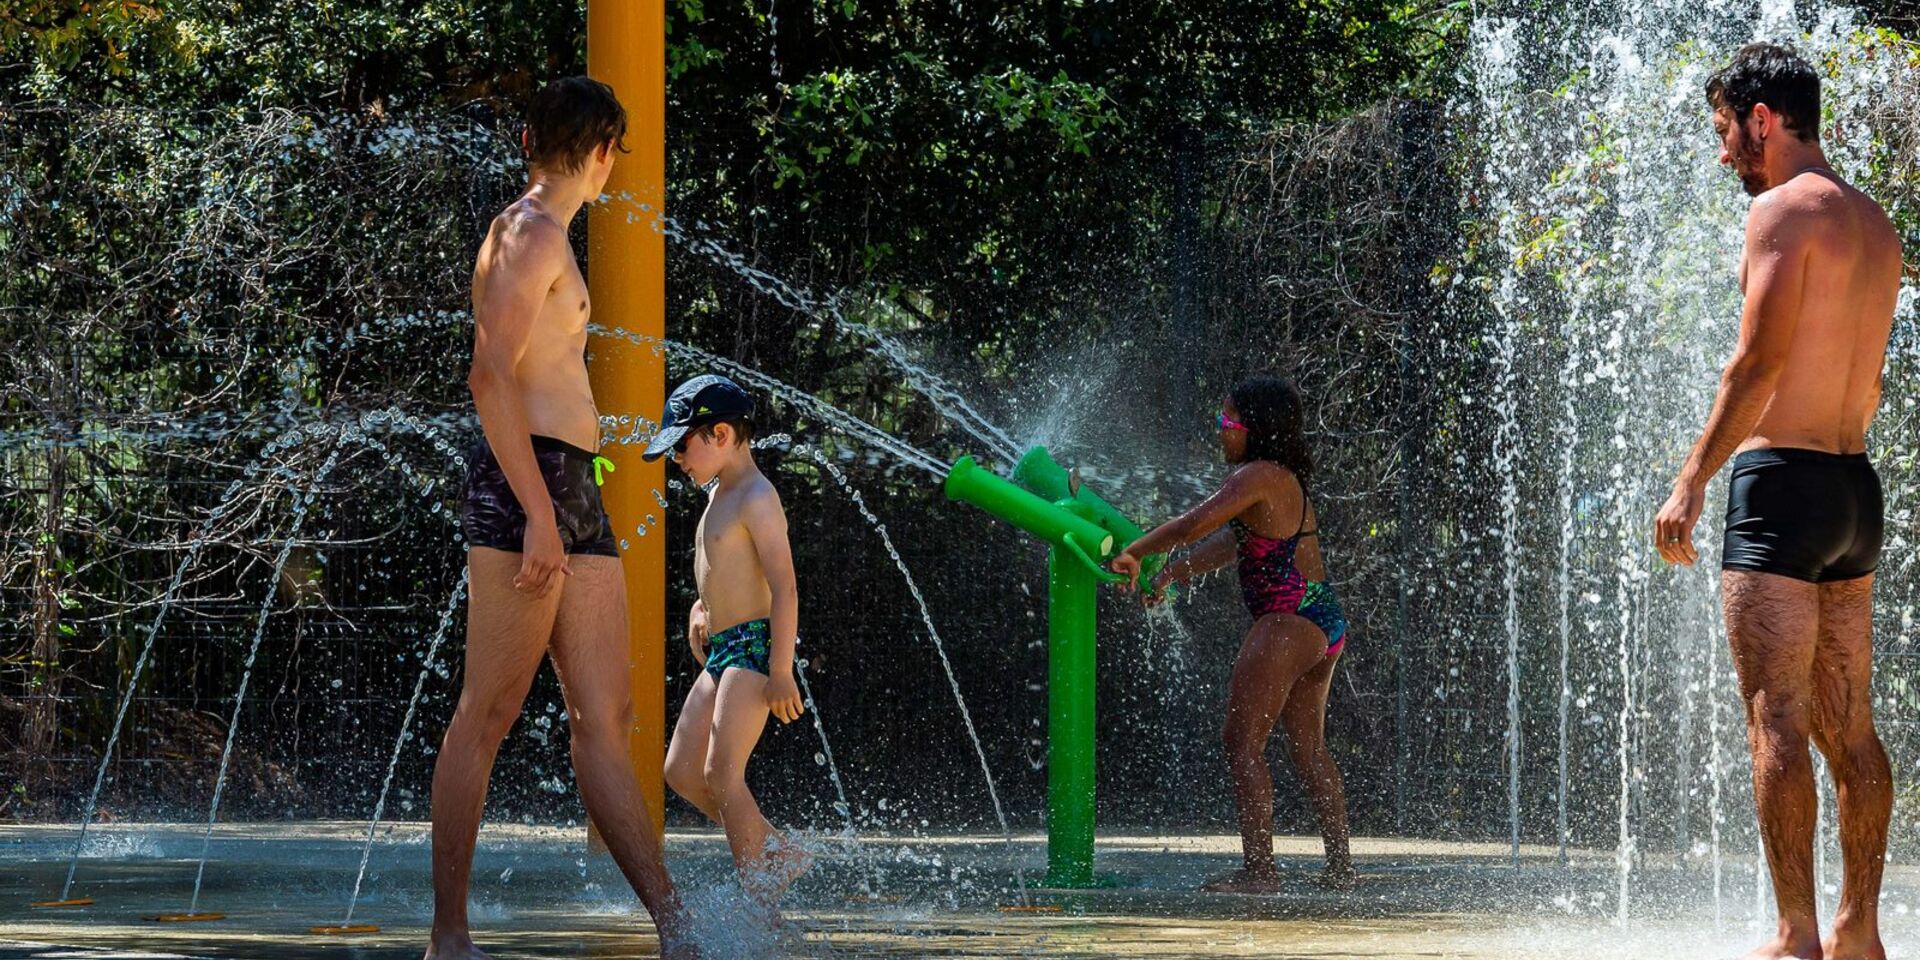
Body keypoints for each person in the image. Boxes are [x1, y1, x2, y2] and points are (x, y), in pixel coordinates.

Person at [429, 77, 695, 960]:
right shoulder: (528, 234)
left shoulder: (546, 237)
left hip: (573, 485)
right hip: (527, 488)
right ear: (602, 148)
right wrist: (539, 514)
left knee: (602, 719)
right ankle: (449, 936)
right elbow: (488, 375)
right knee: (490, 709)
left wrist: (563, 504)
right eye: (618, 148)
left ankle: (678, 928)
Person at [1653, 42, 1901, 960]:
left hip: (1782, 488)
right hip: (1852, 487)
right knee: (1852, 725)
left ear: (1762, 118)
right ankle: (1860, 931)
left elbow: (1756, 364)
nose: (1726, 156)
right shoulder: (1878, 227)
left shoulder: (1779, 211)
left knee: (1778, 720)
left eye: (1727, 133)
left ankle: (1796, 935)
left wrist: (1690, 481)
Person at [1110, 376, 1355, 892]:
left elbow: (1190, 525)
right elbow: (1233, 541)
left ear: (1257, 429)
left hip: (1289, 619)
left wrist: (1136, 550)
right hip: (1323, 620)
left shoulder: (1258, 474)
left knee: (1241, 741)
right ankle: (1341, 871)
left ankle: (1260, 872)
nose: (1220, 431)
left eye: (1228, 422)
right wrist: (1175, 572)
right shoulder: (1280, 479)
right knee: (1309, 749)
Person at [652, 375, 813, 912]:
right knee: (680, 771)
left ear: (720, 434)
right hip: (723, 647)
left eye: (681, 445)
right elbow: (723, 566)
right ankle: (775, 846)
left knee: (722, 775)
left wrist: (782, 666)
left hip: (753, 648)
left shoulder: (757, 496)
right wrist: (702, 608)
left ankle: (760, 903)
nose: (677, 459)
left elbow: (784, 584)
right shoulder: (721, 490)